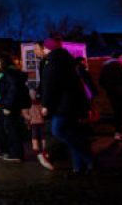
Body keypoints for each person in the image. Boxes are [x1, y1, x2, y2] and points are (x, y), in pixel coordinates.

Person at [40, 37, 96, 177]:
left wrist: (46, 104)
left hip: (62, 105)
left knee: (58, 131)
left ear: (48, 48)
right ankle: (79, 167)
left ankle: (90, 159)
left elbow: (50, 85)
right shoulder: (67, 60)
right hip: (72, 103)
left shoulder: (53, 61)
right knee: (70, 134)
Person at [0, 53, 30, 163]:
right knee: (0, 128)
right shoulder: (1, 72)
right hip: (3, 103)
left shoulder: (10, 73)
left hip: (10, 105)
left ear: (2, 61)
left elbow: (13, 90)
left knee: (11, 128)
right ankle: (5, 150)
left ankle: (17, 154)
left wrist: (8, 106)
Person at [99, 54, 122, 140]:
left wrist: (108, 88)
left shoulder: (105, 67)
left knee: (116, 112)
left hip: (112, 93)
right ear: (119, 58)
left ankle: (118, 132)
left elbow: (101, 81)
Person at [24, 86, 53, 169]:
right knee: (35, 134)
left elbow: (42, 111)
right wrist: (28, 118)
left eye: (34, 94)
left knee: (42, 134)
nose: (33, 95)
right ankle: (36, 146)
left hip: (40, 121)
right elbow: (25, 112)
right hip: (34, 122)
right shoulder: (29, 104)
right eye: (32, 94)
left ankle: (43, 146)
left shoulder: (39, 103)